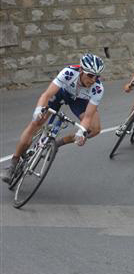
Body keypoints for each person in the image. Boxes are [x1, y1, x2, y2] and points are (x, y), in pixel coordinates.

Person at [1, 54, 105, 183]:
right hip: (61, 93)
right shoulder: (69, 72)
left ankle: (57, 143)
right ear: (81, 71)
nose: (93, 80)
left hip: (80, 100)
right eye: (90, 75)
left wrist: (81, 132)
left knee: (94, 129)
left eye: (97, 76)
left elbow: (88, 116)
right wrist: (39, 110)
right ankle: (13, 163)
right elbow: (47, 95)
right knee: (35, 123)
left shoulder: (98, 89)